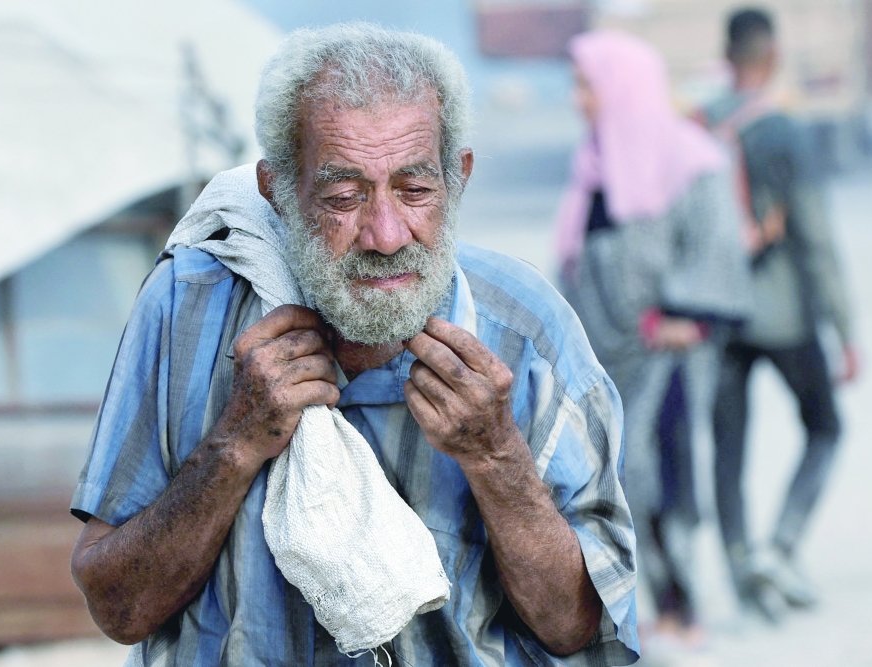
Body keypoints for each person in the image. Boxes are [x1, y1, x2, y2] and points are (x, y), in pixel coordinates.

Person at [69, 24, 639, 666]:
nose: (387, 235)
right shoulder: (187, 304)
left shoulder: (525, 329)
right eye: (343, 197)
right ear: (276, 191)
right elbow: (118, 609)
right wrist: (236, 442)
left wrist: (497, 458)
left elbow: (579, 630)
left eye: (416, 190)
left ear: (459, 179)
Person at [554, 30, 750, 651]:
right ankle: (642, 600)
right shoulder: (597, 162)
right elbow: (582, 257)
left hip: (663, 353)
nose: (579, 99)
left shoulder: (690, 157)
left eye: (588, 85)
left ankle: (681, 602)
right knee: (611, 475)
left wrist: (681, 316)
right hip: (607, 350)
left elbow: (716, 247)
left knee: (660, 468)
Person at [702, 7, 858, 621]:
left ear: (727, 54)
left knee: (728, 448)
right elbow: (816, 238)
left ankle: (742, 565)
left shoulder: (698, 126)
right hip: (787, 315)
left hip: (718, 315)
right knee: (825, 426)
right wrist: (845, 329)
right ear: (772, 58)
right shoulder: (786, 132)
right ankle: (784, 544)